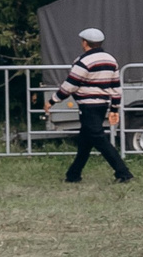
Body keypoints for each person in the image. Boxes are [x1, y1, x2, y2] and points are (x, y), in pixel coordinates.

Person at [56, 27, 133, 183]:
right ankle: (73, 175)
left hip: (87, 106)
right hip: (102, 105)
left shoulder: (82, 61)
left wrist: (52, 100)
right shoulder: (111, 60)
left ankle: (123, 173)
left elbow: (70, 85)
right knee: (85, 141)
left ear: (85, 43)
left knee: (99, 140)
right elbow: (116, 87)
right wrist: (114, 109)